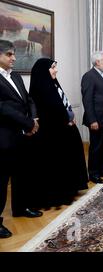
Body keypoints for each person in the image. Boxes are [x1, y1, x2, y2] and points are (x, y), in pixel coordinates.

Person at [29, 58, 88, 207]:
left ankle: (71, 188)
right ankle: (60, 194)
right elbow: (47, 113)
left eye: (55, 67)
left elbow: (63, 104)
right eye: (53, 67)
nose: (56, 70)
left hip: (65, 131)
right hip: (53, 135)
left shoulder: (54, 84)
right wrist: (65, 120)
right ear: (44, 71)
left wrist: (70, 117)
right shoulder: (40, 88)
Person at [0, 40, 42, 239]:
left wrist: (33, 118)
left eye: (14, 54)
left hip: (22, 135)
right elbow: (3, 108)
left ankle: (20, 207)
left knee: (21, 174)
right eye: (9, 54)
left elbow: (28, 99)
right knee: (1, 182)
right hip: (4, 138)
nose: (14, 58)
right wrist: (28, 123)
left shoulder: (15, 76)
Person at [81, 51, 103, 184]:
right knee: (96, 147)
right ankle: (93, 173)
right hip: (96, 119)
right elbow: (87, 100)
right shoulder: (89, 76)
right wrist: (92, 120)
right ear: (97, 62)